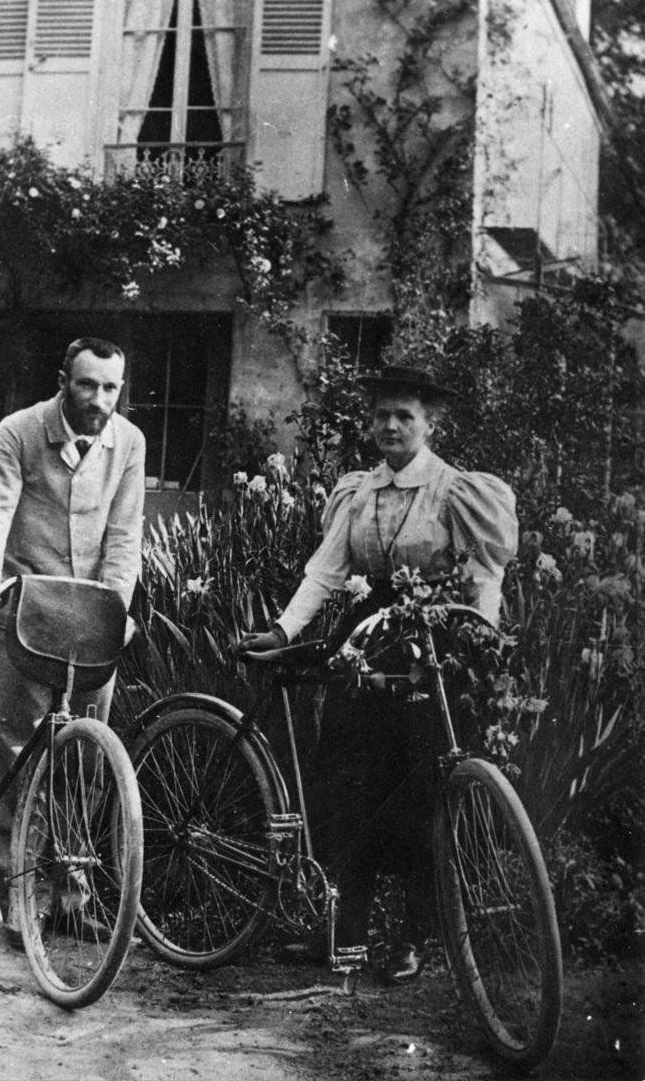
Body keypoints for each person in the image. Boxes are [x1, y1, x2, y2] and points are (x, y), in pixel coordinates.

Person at [239, 365, 518, 982]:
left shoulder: (456, 491)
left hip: (430, 644)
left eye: (405, 416)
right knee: (348, 784)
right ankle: (345, 932)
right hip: (365, 644)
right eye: (382, 415)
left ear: (429, 422)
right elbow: (324, 571)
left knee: (421, 790)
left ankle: (412, 940)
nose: (391, 427)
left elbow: (485, 575)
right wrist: (284, 631)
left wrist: (481, 638)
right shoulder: (359, 492)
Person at [0, 336, 145, 946]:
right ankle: (15, 890)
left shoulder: (129, 445)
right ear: (64, 379)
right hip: (25, 607)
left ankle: (71, 894)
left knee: (87, 753)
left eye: (111, 387)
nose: (98, 399)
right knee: (22, 748)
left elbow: (124, 536)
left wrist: (118, 608)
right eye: (87, 385)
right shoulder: (19, 432)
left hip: (89, 615)